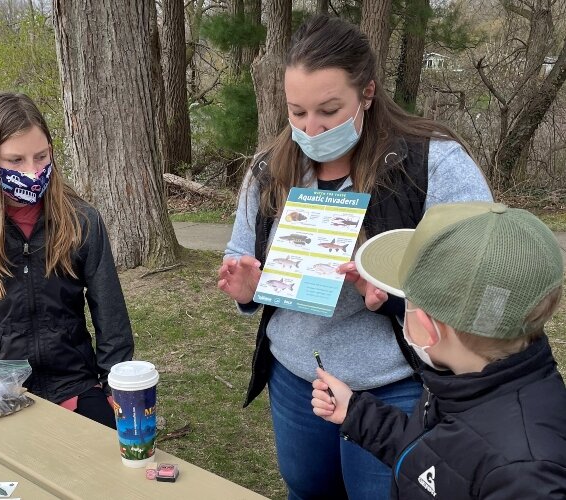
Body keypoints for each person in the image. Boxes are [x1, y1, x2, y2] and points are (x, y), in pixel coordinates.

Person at [217, 14, 492, 500]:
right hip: (297, 381)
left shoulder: (432, 163)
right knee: (306, 489)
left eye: (328, 110)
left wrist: (390, 294)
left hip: (395, 386)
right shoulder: (270, 169)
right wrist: (247, 288)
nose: (310, 128)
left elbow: (482, 290)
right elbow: (243, 256)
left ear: (367, 93)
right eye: (296, 112)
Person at [312, 201, 566, 499]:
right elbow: (439, 461)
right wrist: (356, 413)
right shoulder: (463, 378)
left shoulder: (526, 475)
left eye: (405, 301)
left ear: (427, 328)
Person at [0, 93, 134, 428]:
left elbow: (110, 311)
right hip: (2, 387)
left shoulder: (82, 221)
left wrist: (113, 384)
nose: (32, 172)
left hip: (73, 380)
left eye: (41, 156)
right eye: (15, 160)